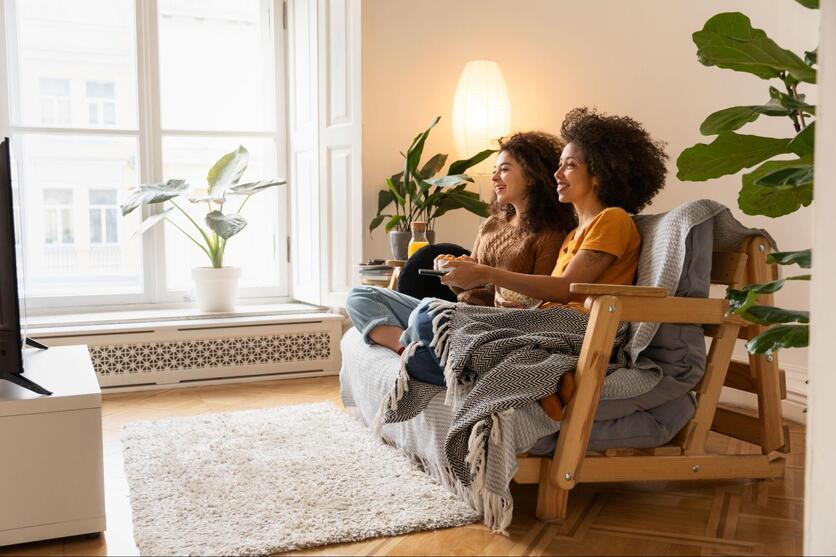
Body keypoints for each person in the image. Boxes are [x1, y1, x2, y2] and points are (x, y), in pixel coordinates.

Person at [435, 107, 668, 415]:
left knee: (435, 320)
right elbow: (554, 294)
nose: (557, 175)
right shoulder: (574, 234)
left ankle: (544, 381)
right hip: (552, 324)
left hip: (582, 328)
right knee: (438, 320)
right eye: (559, 165)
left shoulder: (612, 220)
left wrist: (486, 273)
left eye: (569, 166)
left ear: (598, 174)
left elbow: (566, 289)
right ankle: (548, 381)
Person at [345, 131, 576, 365]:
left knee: (425, 313)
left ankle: (425, 343)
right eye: (495, 170)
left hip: (491, 322)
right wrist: (453, 273)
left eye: (504, 169)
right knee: (359, 296)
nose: (495, 177)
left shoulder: (550, 233)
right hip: (460, 311)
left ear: (533, 175)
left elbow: (542, 296)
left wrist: (492, 286)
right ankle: (405, 348)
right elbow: (471, 285)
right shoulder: (492, 225)